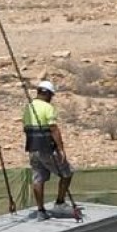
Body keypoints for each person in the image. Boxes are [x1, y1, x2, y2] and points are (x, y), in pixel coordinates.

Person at [22, 80, 81, 222]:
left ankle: (41, 211)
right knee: (67, 172)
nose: (51, 98)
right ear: (48, 94)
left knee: (38, 178)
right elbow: (53, 128)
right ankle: (60, 203)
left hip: (32, 149)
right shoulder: (47, 107)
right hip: (46, 149)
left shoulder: (28, 107)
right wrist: (61, 149)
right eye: (51, 95)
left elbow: (26, 128)